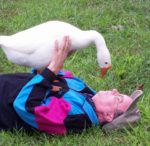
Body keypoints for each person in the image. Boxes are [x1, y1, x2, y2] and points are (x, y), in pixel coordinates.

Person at [0, 36, 134, 135]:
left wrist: (52, 70)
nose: (115, 90)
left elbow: (25, 105)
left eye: (118, 98)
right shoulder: (88, 94)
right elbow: (42, 74)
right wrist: (55, 58)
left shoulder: (75, 117)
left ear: (108, 116)